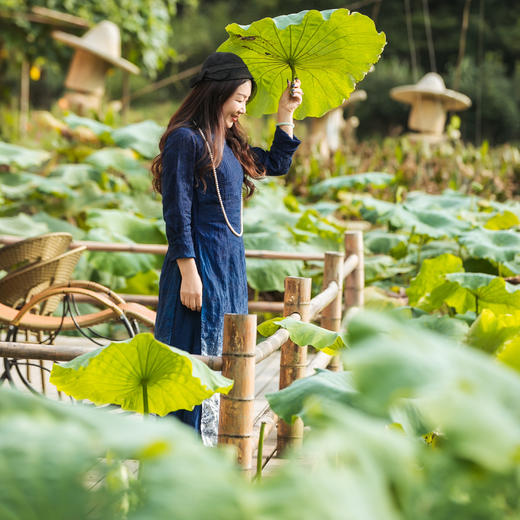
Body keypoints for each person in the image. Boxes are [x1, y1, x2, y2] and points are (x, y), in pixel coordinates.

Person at [151, 52, 303, 445]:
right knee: (189, 360)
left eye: (247, 101)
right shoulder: (185, 140)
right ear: (216, 92)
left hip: (229, 268)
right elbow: (177, 210)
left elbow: (275, 164)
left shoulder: (227, 141)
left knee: (226, 357)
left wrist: (285, 113)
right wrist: (188, 272)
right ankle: (178, 456)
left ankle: (215, 452)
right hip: (197, 267)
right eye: (239, 99)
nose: (242, 109)